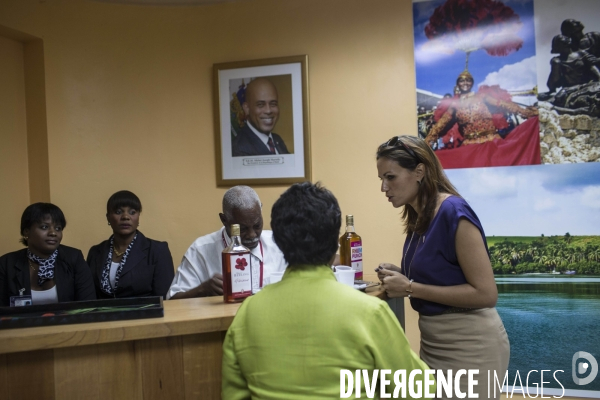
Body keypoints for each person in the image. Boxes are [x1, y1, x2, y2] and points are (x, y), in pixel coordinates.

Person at [222, 182, 432, 399]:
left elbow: (233, 395)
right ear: (336, 244)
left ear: (278, 241)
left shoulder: (247, 313)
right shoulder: (370, 313)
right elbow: (419, 389)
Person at [375, 135, 510, 400]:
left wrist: (410, 288)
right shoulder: (418, 216)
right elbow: (441, 277)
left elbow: (486, 294)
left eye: (390, 177)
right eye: (381, 179)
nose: (383, 187)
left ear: (419, 171)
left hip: (471, 348)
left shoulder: (453, 211)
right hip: (434, 346)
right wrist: (403, 276)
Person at [167, 185, 286, 299]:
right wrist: (202, 290)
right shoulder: (200, 250)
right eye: (242, 229)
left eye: (257, 225)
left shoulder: (280, 244)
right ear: (224, 220)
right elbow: (173, 300)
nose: (252, 234)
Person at [0, 203, 96, 306]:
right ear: (26, 232)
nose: (53, 233)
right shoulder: (6, 264)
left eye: (58, 228)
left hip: (68, 322)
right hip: (20, 322)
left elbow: (88, 306)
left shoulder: (74, 259)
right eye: (44, 227)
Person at [86, 191, 174, 299]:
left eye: (132, 212)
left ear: (138, 217)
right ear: (108, 217)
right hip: (103, 315)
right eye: (118, 212)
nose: (125, 217)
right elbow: (89, 297)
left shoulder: (157, 250)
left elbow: (164, 299)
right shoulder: (95, 252)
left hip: (146, 315)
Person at [425, 70, 537, 147]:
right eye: (462, 80)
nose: (465, 83)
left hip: (492, 142)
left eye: (468, 80)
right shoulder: (454, 105)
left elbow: (503, 104)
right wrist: (429, 139)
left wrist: (525, 112)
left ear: (472, 83)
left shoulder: (482, 97)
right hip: (469, 146)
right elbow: (441, 124)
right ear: (458, 84)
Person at [232, 77, 290, 157]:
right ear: (247, 108)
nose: (268, 111)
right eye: (260, 105)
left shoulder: (277, 139)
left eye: (273, 104)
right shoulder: (239, 148)